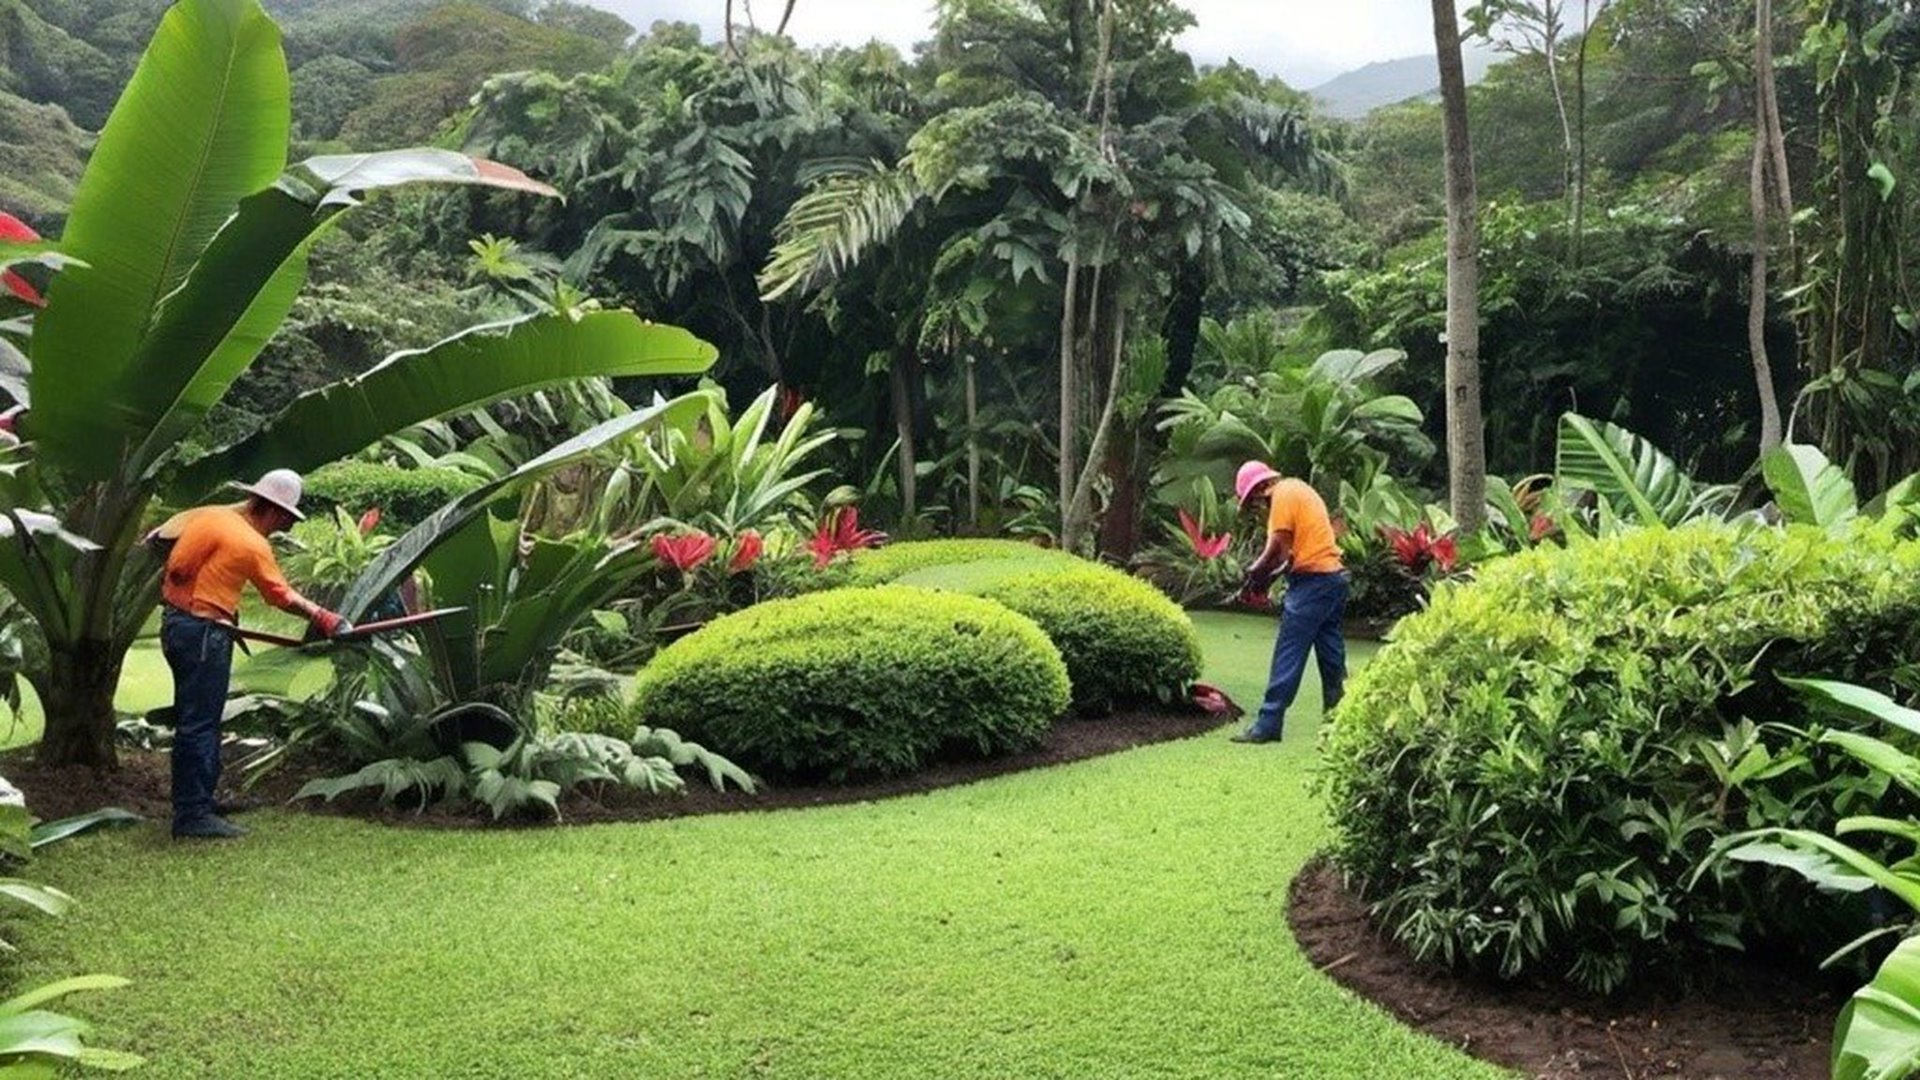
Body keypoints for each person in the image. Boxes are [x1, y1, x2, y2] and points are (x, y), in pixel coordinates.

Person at [147, 469, 353, 839]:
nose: (286, 527)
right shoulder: (250, 543)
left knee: (195, 717)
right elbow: (280, 595)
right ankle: (192, 815)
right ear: (273, 511)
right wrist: (325, 617)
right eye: (287, 518)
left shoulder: (210, 517)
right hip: (206, 633)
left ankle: (201, 800)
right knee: (201, 722)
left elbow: (156, 539)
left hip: (177, 625)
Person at [1230, 460, 1350, 744]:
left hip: (1313, 584)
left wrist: (1252, 573)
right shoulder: (1298, 489)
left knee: (1289, 652)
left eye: (1253, 501)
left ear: (1260, 488)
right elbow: (1287, 560)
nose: (1257, 507)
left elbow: (1277, 549)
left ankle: (1268, 723)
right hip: (1333, 579)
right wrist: (1263, 581)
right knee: (1332, 657)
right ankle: (1339, 723)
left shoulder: (1282, 495)